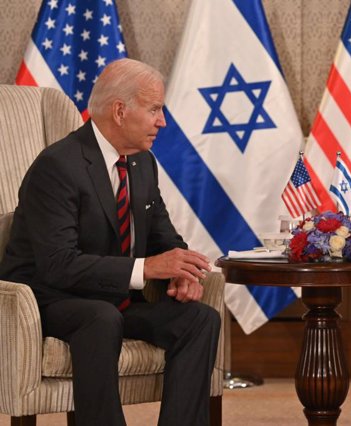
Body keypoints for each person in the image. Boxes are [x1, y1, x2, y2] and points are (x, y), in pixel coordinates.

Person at [0, 58, 220, 426]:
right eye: (154, 109)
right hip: (49, 300)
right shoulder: (58, 166)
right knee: (100, 318)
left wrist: (181, 270)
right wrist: (148, 268)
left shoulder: (141, 163)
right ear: (120, 111)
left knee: (200, 319)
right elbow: (58, 263)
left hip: (113, 299)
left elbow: (161, 235)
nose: (162, 121)